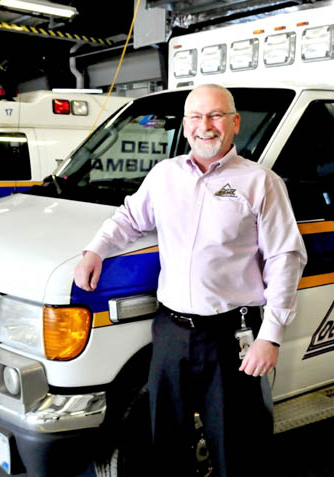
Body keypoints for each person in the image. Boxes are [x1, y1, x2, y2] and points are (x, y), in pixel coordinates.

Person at [74, 84, 307, 476]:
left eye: (216, 116)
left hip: (230, 337)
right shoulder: (164, 176)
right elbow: (130, 218)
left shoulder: (260, 183)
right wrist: (95, 249)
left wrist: (270, 335)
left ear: (234, 123)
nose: (206, 126)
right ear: (185, 126)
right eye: (196, 117)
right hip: (170, 331)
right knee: (164, 444)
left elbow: (286, 258)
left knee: (236, 448)